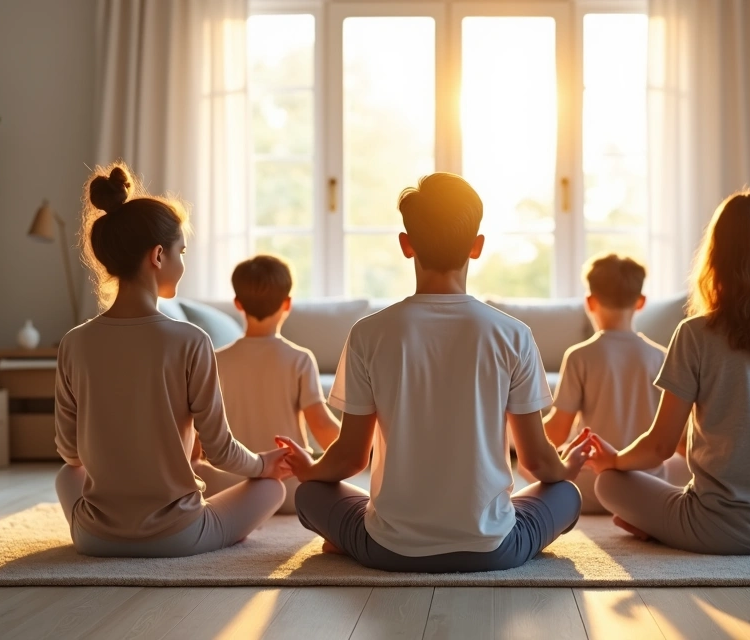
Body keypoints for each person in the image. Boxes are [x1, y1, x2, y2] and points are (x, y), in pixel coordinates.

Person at [276, 172, 593, 573]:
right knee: (565, 494)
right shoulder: (514, 335)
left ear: (406, 245)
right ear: (476, 248)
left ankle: (348, 542)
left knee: (309, 496)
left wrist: (310, 470)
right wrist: (566, 469)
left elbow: (350, 458)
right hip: (493, 550)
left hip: (389, 551)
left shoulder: (368, 334)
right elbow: (537, 462)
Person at [586, 191, 750, 555]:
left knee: (609, 484)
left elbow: (661, 447)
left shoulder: (695, 334)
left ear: (717, 259)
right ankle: (659, 525)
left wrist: (613, 461)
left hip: (711, 530)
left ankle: (657, 527)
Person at [53, 163, 290, 558]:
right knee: (271, 488)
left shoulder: (74, 343)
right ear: (158, 256)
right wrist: (263, 464)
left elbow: (70, 454)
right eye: (182, 251)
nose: (183, 261)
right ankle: (217, 518)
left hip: (95, 538)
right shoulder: (191, 341)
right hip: (178, 537)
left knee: (67, 475)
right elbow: (220, 450)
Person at [531, 253, 687, 513]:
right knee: (680, 467)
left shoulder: (579, 355)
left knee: (535, 468)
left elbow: (558, 430)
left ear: (590, 302)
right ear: (641, 302)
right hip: (646, 486)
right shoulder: (661, 356)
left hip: (588, 490)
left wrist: (519, 432)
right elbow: (676, 439)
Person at [201, 254, 340, 514]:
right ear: (287, 304)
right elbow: (321, 425)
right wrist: (364, 447)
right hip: (291, 489)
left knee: (200, 472)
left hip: (232, 488)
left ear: (238, 304)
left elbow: (201, 432)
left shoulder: (216, 360)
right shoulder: (299, 359)